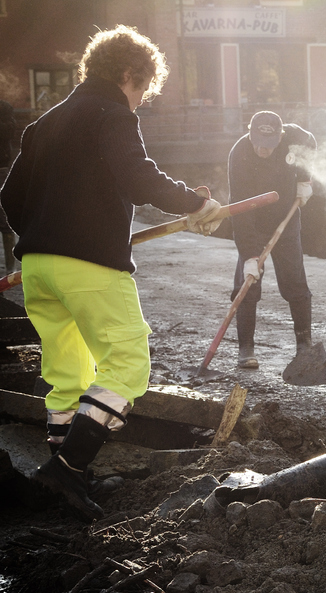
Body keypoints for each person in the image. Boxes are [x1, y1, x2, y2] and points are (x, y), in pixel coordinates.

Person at [1, 25, 222, 519]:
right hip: (90, 267)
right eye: (143, 88)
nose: (141, 100)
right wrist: (196, 203)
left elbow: (9, 197)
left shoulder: (44, 124)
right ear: (129, 72)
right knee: (127, 363)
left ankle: (66, 481)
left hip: (37, 268)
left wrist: (41, 233)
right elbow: (139, 177)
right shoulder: (113, 113)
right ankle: (67, 470)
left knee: (67, 376)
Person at [227, 110, 316, 369]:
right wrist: (249, 255)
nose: (262, 149)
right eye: (257, 142)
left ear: (281, 136)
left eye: (269, 144)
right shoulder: (239, 153)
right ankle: (246, 349)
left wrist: (304, 179)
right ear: (250, 133)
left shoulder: (294, 136)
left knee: (295, 282)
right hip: (252, 223)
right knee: (247, 283)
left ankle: (304, 345)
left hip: (285, 220)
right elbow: (238, 208)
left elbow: (310, 144)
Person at [0, 100, 17, 272]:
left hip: (1, 169)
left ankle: (10, 270)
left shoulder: (4, 109)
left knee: (4, 221)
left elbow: (8, 131)